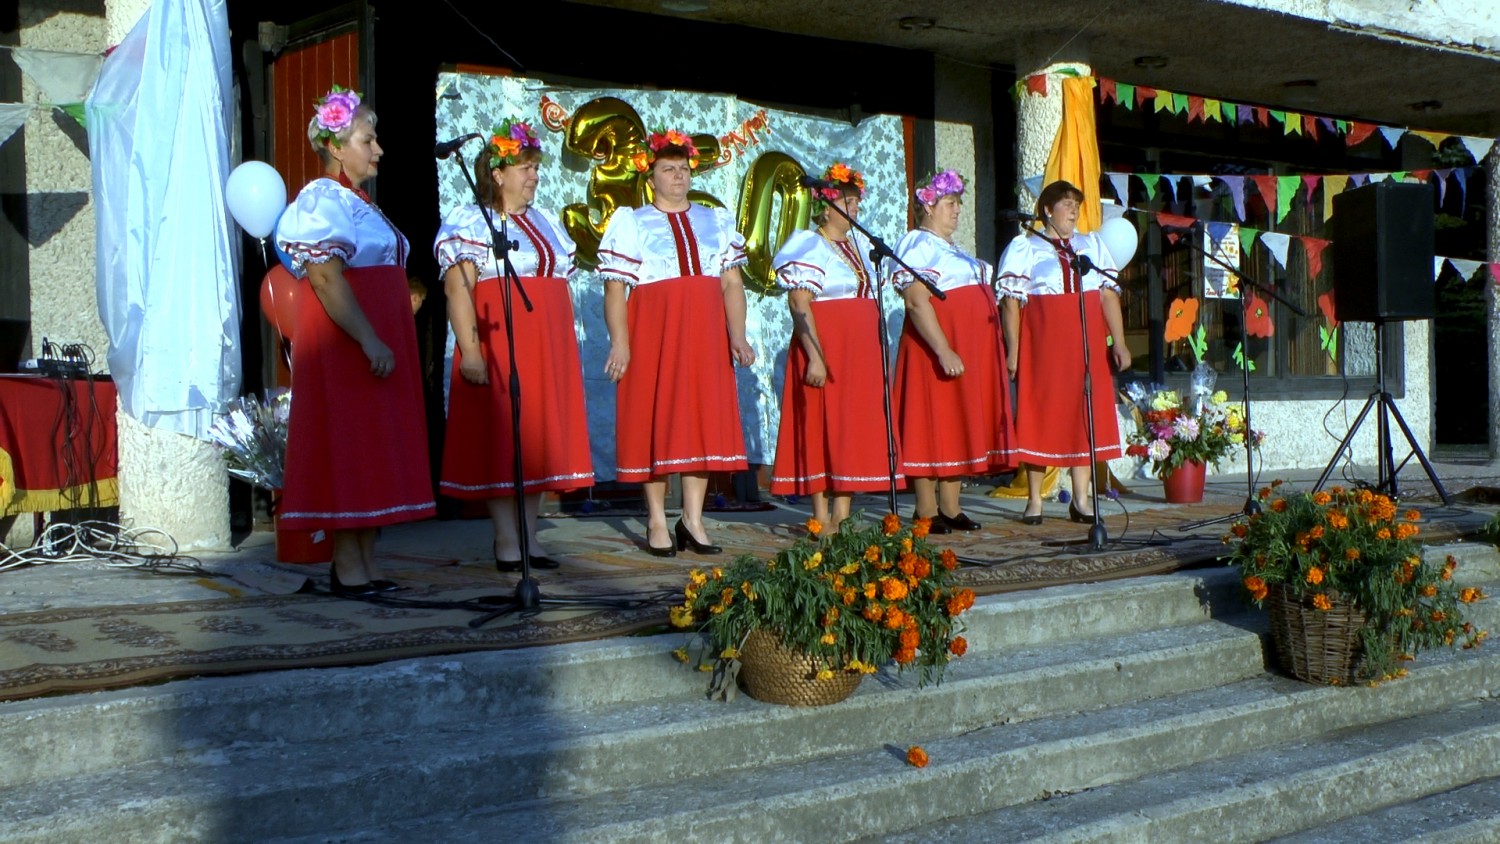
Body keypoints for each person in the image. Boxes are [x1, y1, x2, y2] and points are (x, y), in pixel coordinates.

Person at [274, 85, 435, 596]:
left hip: (372, 340)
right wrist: (368, 338)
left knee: (372, 447)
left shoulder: (358, 203)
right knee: (350, 444)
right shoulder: (322, 199)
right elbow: (324, 276)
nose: (379, 149)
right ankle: (346, 565)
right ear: (337, 147)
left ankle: (365, 560)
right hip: (347, 345)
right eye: (368, 140)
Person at [434, 118, 593, 571]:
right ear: (498, 173)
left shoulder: (542, 222)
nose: (533, 176)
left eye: (535, 168)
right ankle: (506, 539)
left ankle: (529, 536)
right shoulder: (472, 222)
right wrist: (470, 350)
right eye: (524, 167)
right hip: (502, 340)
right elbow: (458, 289)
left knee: (535, 436)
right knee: (504, 438)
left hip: (545, 344)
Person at [597, 129, 755, 556]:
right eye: (668, 169)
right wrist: (620, 343)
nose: (678, 176)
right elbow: (616, 291)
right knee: (656, 418)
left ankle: (693, 518)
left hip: (704, 333)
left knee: (700, 421)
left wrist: (737, 335)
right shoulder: (632, 222)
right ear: (651, 178)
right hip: (655, 330)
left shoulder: (714, 220)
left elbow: (731, 284)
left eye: (683, 169)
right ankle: (655, 519)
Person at [768, 162, 899, 534]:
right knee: (822, 423)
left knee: (851, 427)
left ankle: (843, 513)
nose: (854, 206)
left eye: (856, 200)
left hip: (859, 351)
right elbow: (799, 303)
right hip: (827, 345)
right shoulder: (810, 244)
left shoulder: (860, 247)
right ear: (826, 206)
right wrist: (814, 355)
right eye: (847, 200)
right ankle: (820, 515)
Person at [998, 179, 1131, 524]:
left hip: (1086, 344)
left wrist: (1119, 341)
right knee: (1041, 412)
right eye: (1066, 203)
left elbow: (1107, 295)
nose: (1073, 209)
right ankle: (1035, 500)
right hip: (1044, 345)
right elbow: (1012, 304)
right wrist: (1013, 351)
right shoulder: (1025, 248)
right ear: (1047, 210)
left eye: (1077, 203)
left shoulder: (1092, 245)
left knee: (1084, 414)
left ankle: (1082, 499)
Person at [889, 168, 1014, 534]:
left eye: (958, 203)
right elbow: (916, 301)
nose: (957, 210)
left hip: (969, 349)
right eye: (949, 203)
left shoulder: (953, 250)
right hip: (934, 350)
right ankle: (925, 509)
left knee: (957, 422)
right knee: (932, 423)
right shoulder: (918, 245)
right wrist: (943, 349)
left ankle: (951, 506)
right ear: (928, 207)